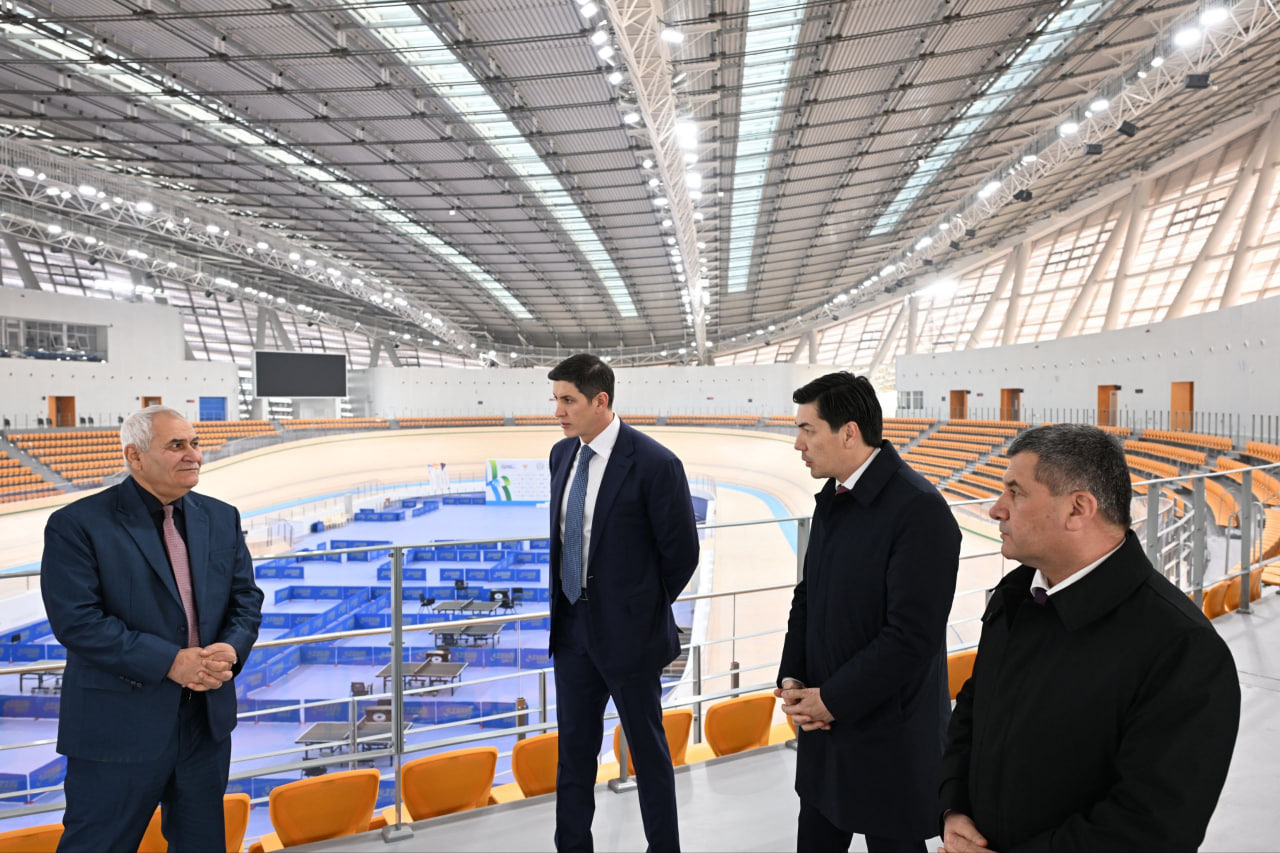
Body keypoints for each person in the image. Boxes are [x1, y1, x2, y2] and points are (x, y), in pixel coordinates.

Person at [939, 424, 1241, 852]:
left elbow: (1153, 829)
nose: (996, 509)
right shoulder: (1015, 595)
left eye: (1015, 493)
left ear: (1078, 509)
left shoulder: (1183, 648)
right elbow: (973, 709)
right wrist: (953, 807)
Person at [41, 405, 263, 852]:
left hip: (204, 724)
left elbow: (246, 599)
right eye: (176, 445)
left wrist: (230, 649)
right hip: (118, 729)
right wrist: (170, 662)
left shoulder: (221, 517)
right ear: (135, 456)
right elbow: (78, 621)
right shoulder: (77, 524)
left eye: (195, 443)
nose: (193, 455)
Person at [777, 372, 961, 852]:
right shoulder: (833, 498)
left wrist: (831, 699)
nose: (798, 444)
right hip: (825, 728)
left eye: (808, 429)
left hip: (889, 740)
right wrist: (793, 678)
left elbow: (912, 638)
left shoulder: (919, 510)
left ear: (849, 433)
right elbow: (808, 594)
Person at [546, 353, 700, 852]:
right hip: (572, 631)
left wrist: (638, 610)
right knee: (574, 756)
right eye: (556, 400)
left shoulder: (656, 464)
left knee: (649, 756)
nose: (558, 412)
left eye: (568, 400)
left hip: (630, 638)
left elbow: (682, 555)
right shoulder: (561, 456)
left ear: (601, 401)